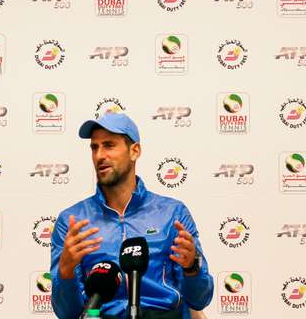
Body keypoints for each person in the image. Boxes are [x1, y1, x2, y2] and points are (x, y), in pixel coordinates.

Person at [51, 112, 213, 319]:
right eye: (94, 147)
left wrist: (192, 268)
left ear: (134, 151)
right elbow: (67, 313)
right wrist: (65, 273)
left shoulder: (173, 213)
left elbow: (200, 299)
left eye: (109, 145)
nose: (99, 155)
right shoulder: (72, 221)